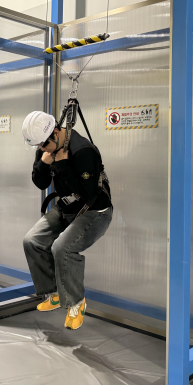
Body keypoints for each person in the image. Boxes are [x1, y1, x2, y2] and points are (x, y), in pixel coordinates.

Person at [21, 111, 112, 330]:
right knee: (32, 241)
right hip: (67, 207)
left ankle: (76, 303)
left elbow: (88, 193)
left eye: (44, 145)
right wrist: (43, 164)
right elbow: (40, 182)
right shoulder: (45, 146)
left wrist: (62, 165)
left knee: (62, 248)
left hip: (95, 210)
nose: (42, 149)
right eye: (38, 147)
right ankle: (52, 292)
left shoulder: (83, 151)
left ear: (55, 132)